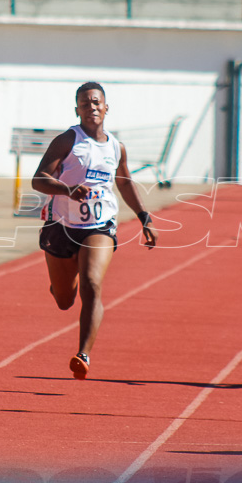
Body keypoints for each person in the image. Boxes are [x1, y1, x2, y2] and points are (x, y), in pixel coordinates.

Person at [32, 82, 158, 380]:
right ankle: (66, 279)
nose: (92, 108)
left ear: (106, 107)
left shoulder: (116, 147)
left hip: (99, 226)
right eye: (85, 104)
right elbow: (39, 180)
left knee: (92, 284)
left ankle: (83, 354)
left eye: (96, 102)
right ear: (77, 109)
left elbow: (124, 182)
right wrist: (67, 189)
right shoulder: (67, 140)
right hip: (61, 225)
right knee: (64, 300)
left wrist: (144, 217)